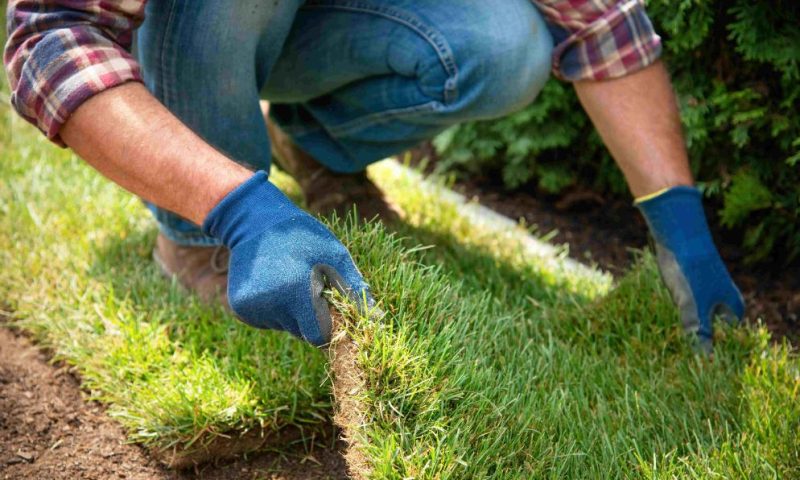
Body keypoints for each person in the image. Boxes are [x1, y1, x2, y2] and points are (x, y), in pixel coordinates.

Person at [4, 0, 744, 351]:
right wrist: (233, 210)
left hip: (326, 23)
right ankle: (193, 235)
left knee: (506, 45)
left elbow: (602, 20)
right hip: (203, 20)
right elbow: (50, 37)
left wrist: (681, 227)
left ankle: (320, 149)